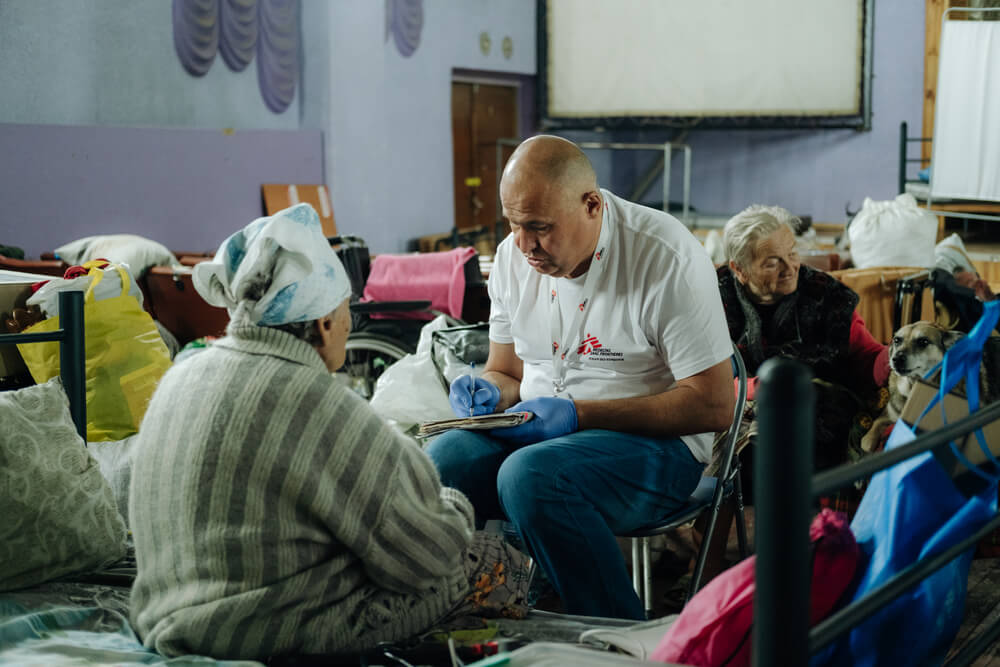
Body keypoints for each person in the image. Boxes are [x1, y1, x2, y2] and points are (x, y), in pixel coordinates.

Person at [128, 204, 529, 661]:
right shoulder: (322, 407)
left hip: (160, 618)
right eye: (345, 313)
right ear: (322, 324)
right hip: (253, 633)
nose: (346, 324)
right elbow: (430, 557)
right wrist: (453, 504)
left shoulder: (181, 375)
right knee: (488, 561)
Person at [425, 135, 735, 621]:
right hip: (539, 436)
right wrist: (489, 390)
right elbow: (506, 370)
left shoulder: (662, 256)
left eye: (539, 228)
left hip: (657, 446)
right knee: (442, 460)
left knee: (531, 477)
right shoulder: (513, 257)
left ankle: (621, 638)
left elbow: (715, 405)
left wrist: (580, 415)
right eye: (513, 224)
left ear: (592, 205)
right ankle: (479, 621)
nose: (525, 245)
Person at [718, 204, 889, 476]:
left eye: (792, 253)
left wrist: (890, 360)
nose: (790, 268)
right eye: (773, 262)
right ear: (739, 269)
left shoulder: (828, 297)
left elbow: (865, 355)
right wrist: (755, 389)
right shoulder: (712, 299)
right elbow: (700, 377)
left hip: (816, 423)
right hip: (737, 416)